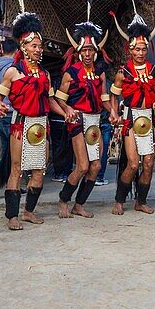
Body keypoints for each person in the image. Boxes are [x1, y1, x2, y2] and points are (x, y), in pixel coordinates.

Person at [0, 0, 68, 230]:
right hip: (20, 124)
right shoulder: (13, 72)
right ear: (23, 47)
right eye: (34, 46)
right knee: (17, 168)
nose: (38, 49)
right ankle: (12, 216)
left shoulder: (45, 74)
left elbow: (49, 99)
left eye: (39, 46)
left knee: (39, 170)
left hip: (41, 124)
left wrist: (65, 112)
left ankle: (28, 211)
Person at [55, 15, 114, 218]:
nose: (88, 54)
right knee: (82, 165)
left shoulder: (100, 72)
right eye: (84, 50)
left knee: (96, 166)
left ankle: (79, 205)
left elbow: (104, 97)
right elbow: (59, 99)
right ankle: (63, 200)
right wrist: (68, 110)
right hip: (78, 120)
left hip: (95, 121)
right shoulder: (70, 73)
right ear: (78, 51)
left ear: (96, 51)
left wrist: (112, 111)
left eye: (91, 50)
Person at [109, 9, 155, 215]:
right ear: (130, 50)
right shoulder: (123, 72)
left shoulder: (153, 70)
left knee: (148, 163)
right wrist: (114, 112)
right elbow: (114, 95)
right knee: (133, 163)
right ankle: (120, 200)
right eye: (137, 49)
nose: (140, 53)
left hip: (148, 117)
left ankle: (141, 201)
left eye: (143, 49)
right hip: (131, 119)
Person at [0, 39, 17, 184]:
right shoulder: (13, 68)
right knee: (11, 151)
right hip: (11, 112)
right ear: (17, 50)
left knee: (7, 149)